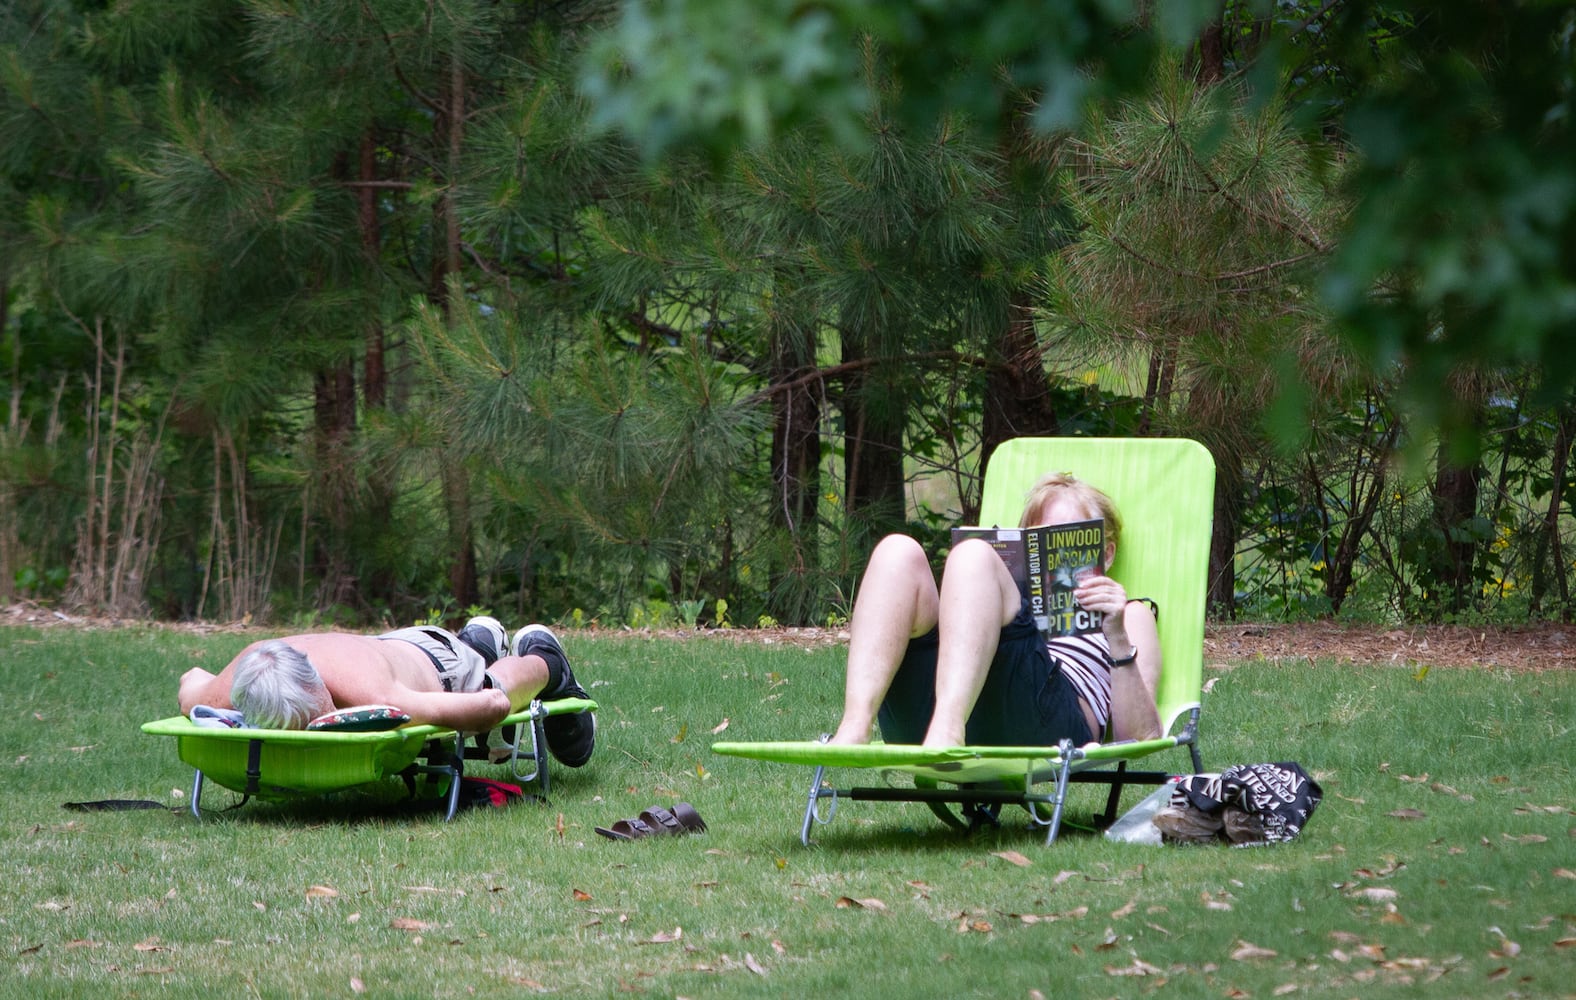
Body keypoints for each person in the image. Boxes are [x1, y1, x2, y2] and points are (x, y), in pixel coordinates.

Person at [828, 472, 1162, 751]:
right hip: (946, 711)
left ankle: (948, 729)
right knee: (897, 551)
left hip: (1047, 726)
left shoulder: (1131, 614)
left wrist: (1116, 633)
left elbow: (1140, 737)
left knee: (973, 555)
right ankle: (856, 724)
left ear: (1106, 553)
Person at [176, 617, 596, 767]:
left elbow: (493, 705)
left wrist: (481, 706)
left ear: (320, 685)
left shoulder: (378, 695)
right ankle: (479, 639)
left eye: (315, 720)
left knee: (487, 681)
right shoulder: (240, 679)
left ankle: (546, 659)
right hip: (386, 650)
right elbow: (189, 679)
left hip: (436, 665)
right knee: (468, 656)